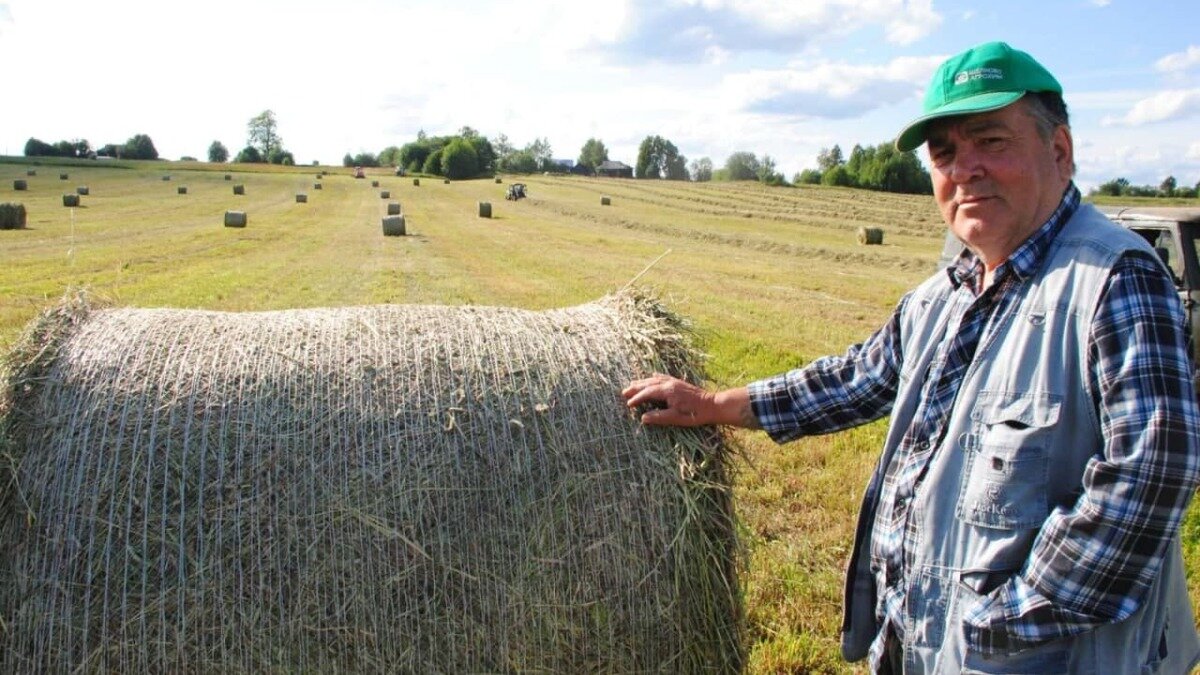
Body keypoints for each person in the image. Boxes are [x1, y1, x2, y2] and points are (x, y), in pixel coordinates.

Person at [622, 41, 1200, 674]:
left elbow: (1151, 474)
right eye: (945, 154)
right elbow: (857, 378)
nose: (966, 169)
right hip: (921, 643)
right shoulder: (943, 296)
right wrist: (713, 405)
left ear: (1058, 150)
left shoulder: (1112, 278)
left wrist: (1008, 622)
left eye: (991, 141)